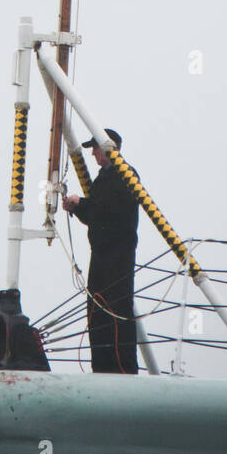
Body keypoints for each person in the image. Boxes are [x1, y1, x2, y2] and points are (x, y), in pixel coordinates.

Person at [62, 129, 139, 374]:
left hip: (117, 255)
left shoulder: (123, 175)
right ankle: (102, 369)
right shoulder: (104, 178)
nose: (93, 153)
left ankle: (121, 370)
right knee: (97, 313)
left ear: (108, 148)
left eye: (96, 148)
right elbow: (97, 214)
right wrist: (77, 207)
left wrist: (81, 204)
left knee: (116, 312)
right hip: (102, 254)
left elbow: (108, 211)